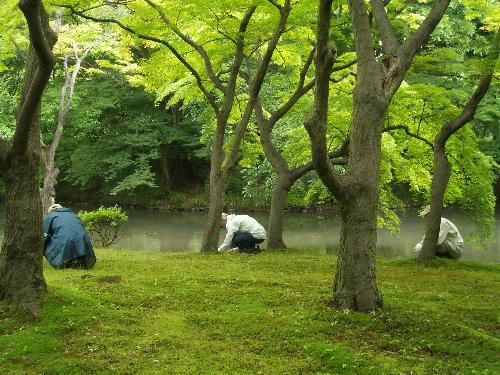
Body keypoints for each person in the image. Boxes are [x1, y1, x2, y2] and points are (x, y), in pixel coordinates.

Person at [43, 204, 96, 269]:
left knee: (48, 242)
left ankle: (61, 263)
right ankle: (79, 261)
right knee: (73, 239)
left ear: (50, 212)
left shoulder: (49, 216)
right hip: (82, 240)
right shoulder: (74, 215)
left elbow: (43, 236)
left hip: (65, 240)